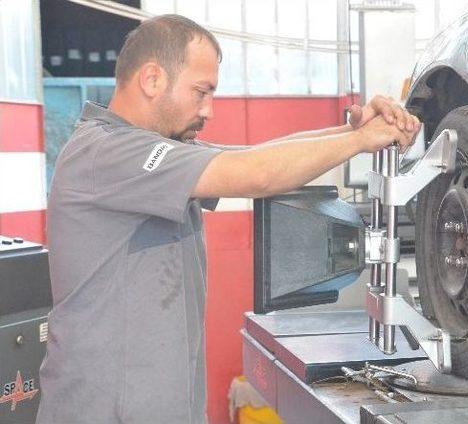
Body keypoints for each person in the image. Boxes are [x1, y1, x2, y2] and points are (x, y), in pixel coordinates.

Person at [36, 14, 420, 424]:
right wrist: (361, 140)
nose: (209, 109)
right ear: (151, 80)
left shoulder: (153, 150)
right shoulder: (107, 152)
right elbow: (255, 174)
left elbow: (251, 155)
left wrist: (352, 132)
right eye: (201, 92)